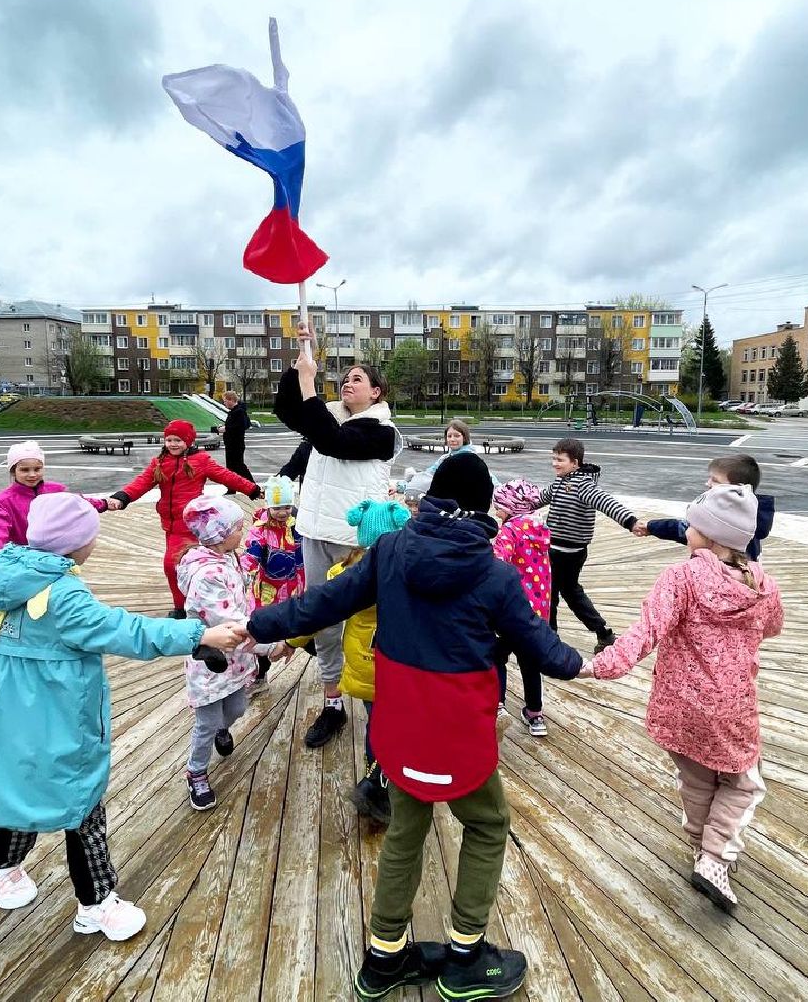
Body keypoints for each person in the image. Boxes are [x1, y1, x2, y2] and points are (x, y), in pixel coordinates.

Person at [246, 452, 583, 1000]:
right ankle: (466, 954)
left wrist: (256, 624)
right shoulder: (493, 574)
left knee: (406, 830)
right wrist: (582, 665)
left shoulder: (391, 550)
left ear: (430, 503)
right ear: (481, 507)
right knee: (488, 823)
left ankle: (384, 958)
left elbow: (324, 602)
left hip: (400, 721)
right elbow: (537, 642)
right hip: (458, 729)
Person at [0, 494, 245, 941]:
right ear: (77, 544)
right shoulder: (64, 595)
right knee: (82, 806)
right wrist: (200, 633)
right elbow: (123, 629)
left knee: (21, 794)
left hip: (12, 717)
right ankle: (96, 904)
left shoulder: (13, 575)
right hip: (62, 718)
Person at [582, 484, 783, 915]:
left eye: (693, 523)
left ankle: (700, 848)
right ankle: (714, 856)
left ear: (709, 536)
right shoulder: (763, 584)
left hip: (678, 706)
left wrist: (596, 666)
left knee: (696, 780)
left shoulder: (680, 578)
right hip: (731, 707)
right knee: (742, 782)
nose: (686, 527)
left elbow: (645, 634)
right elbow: (772, 627)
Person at [272, 321, 403, 750]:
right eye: (344, 378)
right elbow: (289, 412)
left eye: (357, 379)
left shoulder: (381, 434)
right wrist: (299, 367)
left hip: (356, 541)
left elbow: (332, 441)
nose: (348, 383)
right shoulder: (327, 417)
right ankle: (333, 702)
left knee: (365, 623)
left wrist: (310, 384)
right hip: (313, 531)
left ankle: (375, 702)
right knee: (322, 619)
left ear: (376, 393)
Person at [175, 497, 288, 812]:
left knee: (237, 708)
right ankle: (196, 772)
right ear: (220, 534)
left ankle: (222, 729)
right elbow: (231, 625)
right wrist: (271, 645)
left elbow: (242, 606)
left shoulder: (229, 557)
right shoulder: (208, 575)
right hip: (211, 662)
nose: (243, 531)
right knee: (206, 723)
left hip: (236, 660)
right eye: (239, 527)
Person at [108, 420, 259, 615]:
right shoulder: (159, 462)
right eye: (169, 440)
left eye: (177, 440)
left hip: (195, 525)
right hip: (172, 526)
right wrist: (122, 498)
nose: (172, 444)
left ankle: (200, 603)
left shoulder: (201, 460)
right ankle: (182, 606)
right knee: (173, 567)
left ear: (188, 441)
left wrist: (252, 489)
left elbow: (227, 476)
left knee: (190, 565)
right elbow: (141, 483)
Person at [333, 498, 413, 826]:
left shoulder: (345, 571)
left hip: (363, 662)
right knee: (395, 723)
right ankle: (379, 783)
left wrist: (293, 639)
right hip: (396, 662)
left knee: (374, 720)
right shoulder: (404, 571)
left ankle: (374, 770)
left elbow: (320, 603)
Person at [539, 437, 645, 654]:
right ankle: (603, 633)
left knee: (553, 593)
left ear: (575, 463)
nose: (554, 463)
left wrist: (630, 521)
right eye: (553, 458)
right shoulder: (560, 481)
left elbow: (606, 502)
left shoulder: (582, 485)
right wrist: (513, 502)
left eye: (560, 460)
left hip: (569, 553)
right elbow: (539, 498)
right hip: (555, 549)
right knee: (568, 592)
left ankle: (550, 643)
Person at [491, 478, 552, 736]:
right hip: (536, 611)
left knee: (497, 657)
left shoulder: (510, 531)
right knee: (530, 662)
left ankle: (497, 705)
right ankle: (535, 714)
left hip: (509, 608)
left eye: (500, 505)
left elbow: (497, 561)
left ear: (512, 505)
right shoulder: (539, 526)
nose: (496, 511)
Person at [240, 475, 306, 694]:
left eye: (287, 506)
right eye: (277, 507)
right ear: (268, 505)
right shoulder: (260, 529)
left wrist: (306, 580)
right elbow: (252, 553)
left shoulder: (296, 527)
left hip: (292, 586)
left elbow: (302, 555)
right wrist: (244, 571)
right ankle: (259, 675)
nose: (283, 512)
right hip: (266, 590)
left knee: (300, 627)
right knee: (262, 631)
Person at [643, 454, 774, 561]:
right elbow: (687, 529)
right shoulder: (748, 521)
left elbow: (685, 529)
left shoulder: (729, 525)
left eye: (715, 480)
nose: (708, 483)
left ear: (736, 489)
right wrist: (651, 527)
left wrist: (651, 527)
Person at [0, 440, 110, 550]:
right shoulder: (2, 502)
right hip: (22, 558)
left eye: (37, 469)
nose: (32, 475)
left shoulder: (56, 490)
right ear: (13, 471)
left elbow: (78, 502)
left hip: (57, 554)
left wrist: (104, 504)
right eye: (25, 470)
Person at [213, 390, 256, 483]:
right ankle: (232, 488)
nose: (224, 403)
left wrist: (225, 428)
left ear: (231, 400)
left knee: (238, 466)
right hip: (231, 444)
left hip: (236, 444)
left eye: (225, 401)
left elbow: (243, 425)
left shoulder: (238, 412)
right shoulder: (235, 411)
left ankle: (252, 485)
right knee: (231, 467)